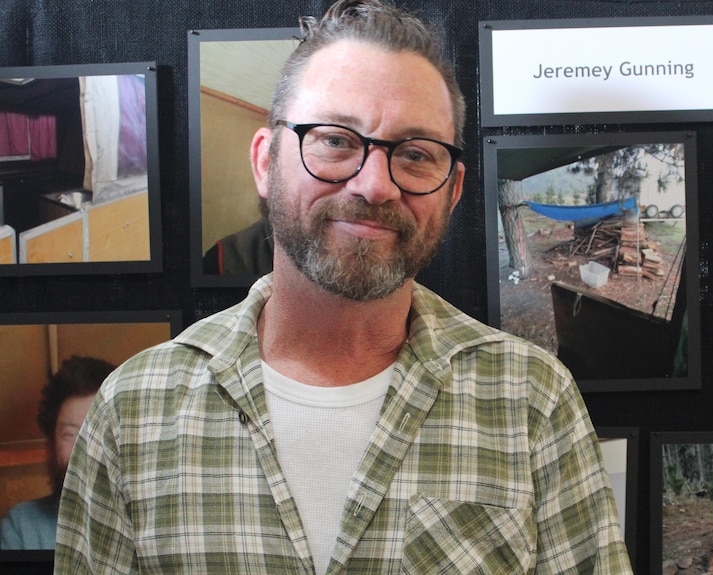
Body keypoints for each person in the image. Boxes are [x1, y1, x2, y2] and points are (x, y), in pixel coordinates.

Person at [55, 1, 633, 573]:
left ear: (452, 190)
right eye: (335, 140)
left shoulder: (532, 401)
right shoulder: (134, 411)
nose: (376, 185)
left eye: (414, 154)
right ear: (265, 161)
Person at [0, 356, 114, 550]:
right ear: (52, 443)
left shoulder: (155, 524)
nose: (83, 448)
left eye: (96, 431)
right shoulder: (21, 526)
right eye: (70, 434)